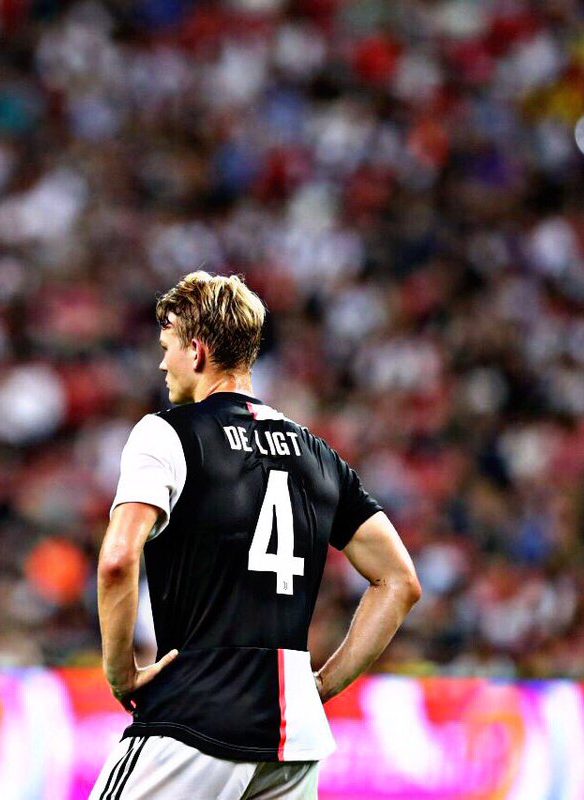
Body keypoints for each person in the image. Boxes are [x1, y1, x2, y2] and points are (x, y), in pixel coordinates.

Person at [92, 272, 421, 799]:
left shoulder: (167, 432)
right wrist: (321, 686)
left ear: (196, 351)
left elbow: (116, 559)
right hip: (293, 742)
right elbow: (400, 581)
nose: (161, 363)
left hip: (194, 718)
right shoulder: (319, 455)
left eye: (166, 347)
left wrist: (120, 674)